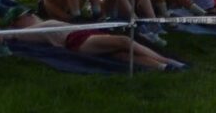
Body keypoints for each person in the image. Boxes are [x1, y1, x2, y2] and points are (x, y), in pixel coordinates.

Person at [17, 15, 185, 72]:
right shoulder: (35, 30)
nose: (30, 16)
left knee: (121, 55)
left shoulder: (44, 23)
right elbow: (16, 35)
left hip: (87, 34)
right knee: (124, 41)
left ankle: (162, 67)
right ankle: (167, 61)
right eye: (26, 17)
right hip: (78, 40)